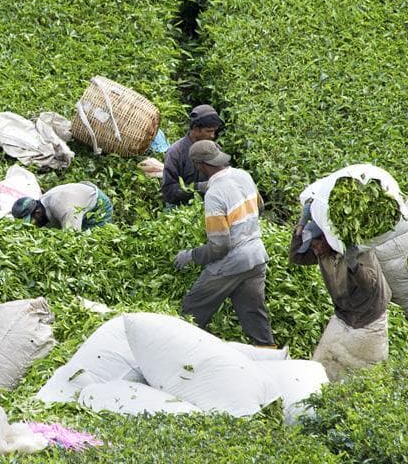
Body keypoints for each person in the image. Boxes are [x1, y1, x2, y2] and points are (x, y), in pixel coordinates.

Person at [173, 140, 274, 346]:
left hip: (231, 263)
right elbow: (260, 207)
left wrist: (191, 255)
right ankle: (272, 355)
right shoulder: (243, 175)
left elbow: (220, 246)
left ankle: (180, 353)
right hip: (256, 257)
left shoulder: (215, 195)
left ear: (199, 165)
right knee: (254, 316)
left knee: (192, 309)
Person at [289, 201, 390, 380]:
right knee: (322, 366)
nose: (314, 250)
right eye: (311, 246)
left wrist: (353, 264)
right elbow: (297, 257)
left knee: (362, 375)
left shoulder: (358, 250)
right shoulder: (321, 252)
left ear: (327, 239)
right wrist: (301, 225)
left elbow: (369, 285)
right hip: (344, 315)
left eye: (315, 244)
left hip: (369, 317)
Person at [161, 104, 224, 208]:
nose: (212, 136)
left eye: (214, 131)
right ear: (196, 129)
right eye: (209, 131)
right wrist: (198, 188)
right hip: (182, 209)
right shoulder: (175, 153)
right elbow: (168, 191)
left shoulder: (215, 149)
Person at [11, 182, 113, 231]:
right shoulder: (43, 204)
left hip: (97, 206)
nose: (33, 225)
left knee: (93, 240)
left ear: (38, 212)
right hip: (76, 201)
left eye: (32, 221)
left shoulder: (65, 209)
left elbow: (72, 240)